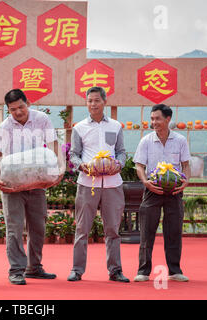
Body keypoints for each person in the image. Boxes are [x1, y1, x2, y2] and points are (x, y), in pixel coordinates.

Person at [0, 89, 64, 285]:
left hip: (38, 182)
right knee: (14, 228)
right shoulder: (5, 127)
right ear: (8, 110)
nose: (18, 112)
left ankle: (34, 267)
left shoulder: (42, 119)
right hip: (12, 185)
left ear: (28, 103)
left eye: (21, 107)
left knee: (38, 227)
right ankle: (16, 270)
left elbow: (54, 144)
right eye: (13, 109)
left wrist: (61, 168)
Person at [67, 86, 129, 283]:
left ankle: (115, 270)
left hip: (113, 183)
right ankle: (77, 270)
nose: (93, 104)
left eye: (96, 100)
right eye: (89, 101)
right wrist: (82, 166)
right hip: (87, 183)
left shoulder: (116, 126)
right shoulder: (79, 128)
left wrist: (118, 164)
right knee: (82, 228)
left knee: (112, 230)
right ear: (86, 103)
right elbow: (73, 155)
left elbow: (121, 151)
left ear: (104, 102)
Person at [133, 104, 191, 282]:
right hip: (152, 190)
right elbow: (139, 166)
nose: (154, 122)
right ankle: (143, 271)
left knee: (173, 230)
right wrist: (145, 182)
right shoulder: (146, 140)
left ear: (167, 119)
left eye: (157, 119)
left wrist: (185, 182)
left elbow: (186, 166)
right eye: (152, 119)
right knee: (147, 231)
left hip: (174, 191)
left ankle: (174, 270)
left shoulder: (180, 140)